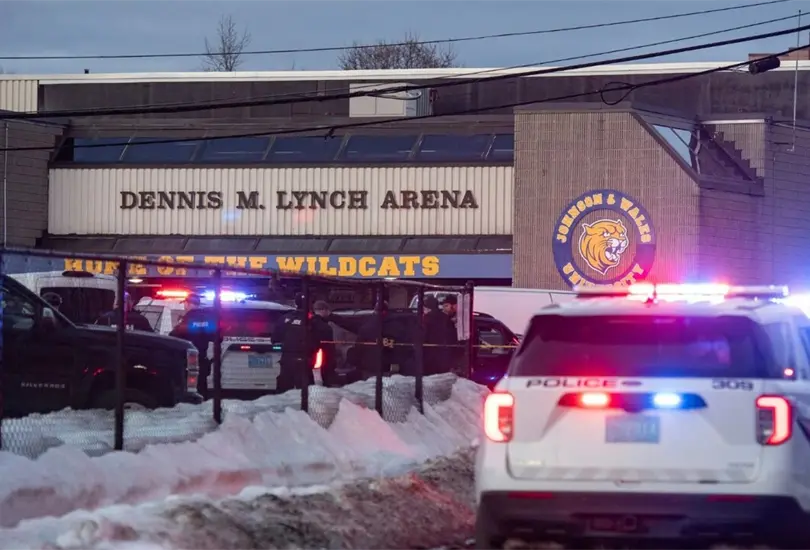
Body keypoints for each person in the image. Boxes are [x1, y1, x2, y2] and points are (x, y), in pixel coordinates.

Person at [273, 294, 327, 391]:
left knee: (283, 392)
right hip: (305, 360)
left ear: (296, 303)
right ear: (310, 304)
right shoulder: (313, 321)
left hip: (287, 360)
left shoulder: (285, 319)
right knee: (304, 392)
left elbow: (275, 339)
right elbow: (324, 339)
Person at [422, 295, 458, 375]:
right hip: (439, 358)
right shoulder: (443, 320)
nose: (456, 309)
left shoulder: (432, 317)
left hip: (431, 357)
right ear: (448, 306)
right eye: (455, 306)